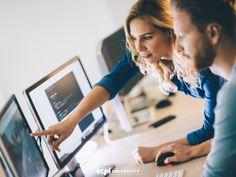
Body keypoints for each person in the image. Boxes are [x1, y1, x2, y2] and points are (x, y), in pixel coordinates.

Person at [31, 0, 224, 164]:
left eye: (147, 37)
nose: (139, 47)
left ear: (170, 31)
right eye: (133, 38)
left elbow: (211, 130)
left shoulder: (203, 62)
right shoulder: (148, 54)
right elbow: (111, 82)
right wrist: (71, 121)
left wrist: (157, 150)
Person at [157, 0, 236, 176]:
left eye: (183, 35)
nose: (177, 47)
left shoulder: (232, 94)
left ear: (213, 33)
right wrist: (194, 150)